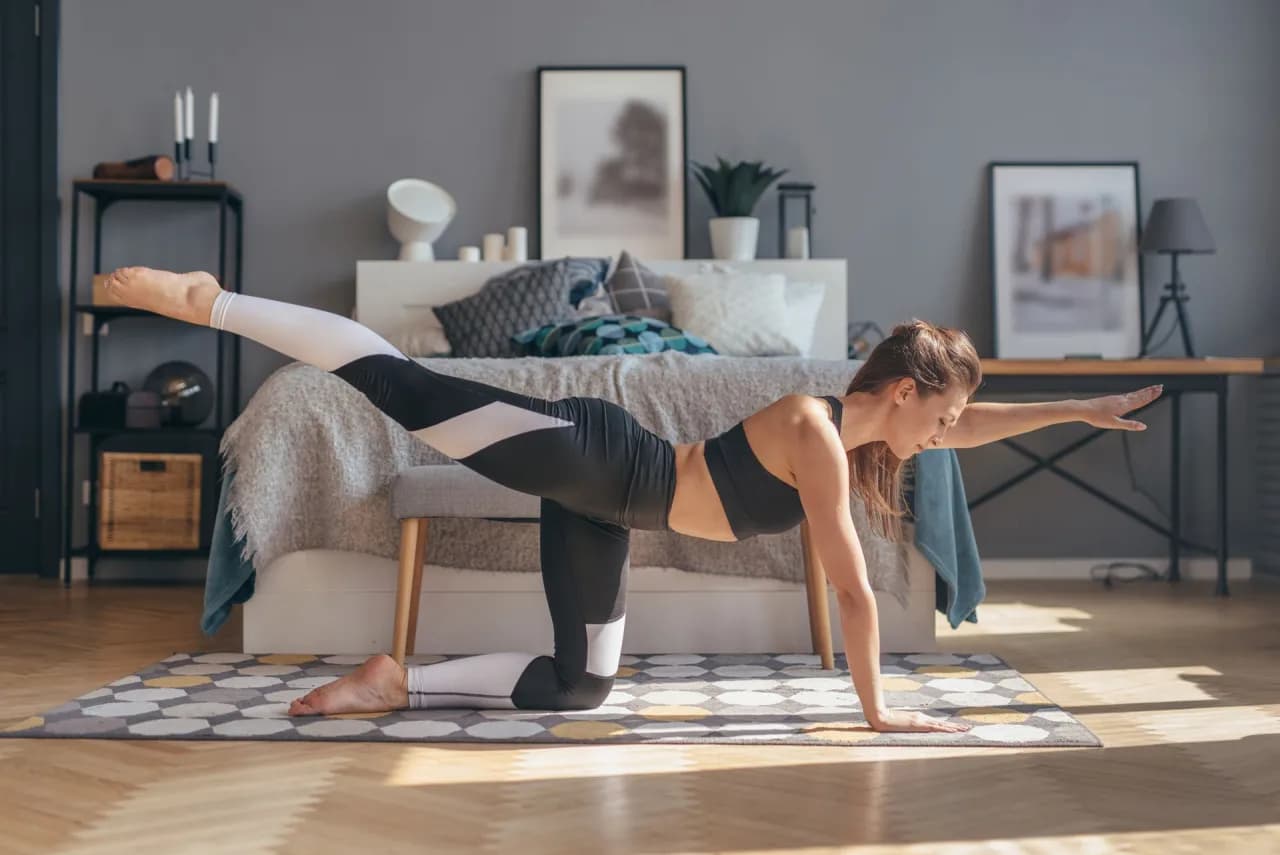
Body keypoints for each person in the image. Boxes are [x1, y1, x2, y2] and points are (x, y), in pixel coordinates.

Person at [101, 266, 1162, 734]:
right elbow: (849, 593)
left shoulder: (863, 432)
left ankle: (395, 682)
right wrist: (877, 709)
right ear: (897, 392)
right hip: (603, 461)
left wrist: (1076, 405)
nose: (942, 438)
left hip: (611, 506)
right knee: (403, 385)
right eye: (937, 417)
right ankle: (215, 302)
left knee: (578, 690)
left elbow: (964, 424)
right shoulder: (813, 430)